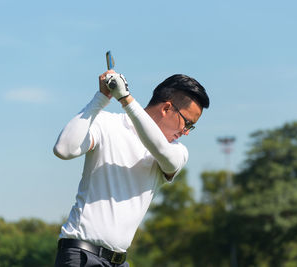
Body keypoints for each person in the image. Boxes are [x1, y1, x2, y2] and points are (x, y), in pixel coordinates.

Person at [53, 70, 210, 267]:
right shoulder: (107, 123)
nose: (186, 132)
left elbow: (159, 148)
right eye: (187, 123)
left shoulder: (176, 152)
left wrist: (126, 99)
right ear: (167, 108)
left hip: (119, 262)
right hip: (82, 255)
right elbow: (63, 149)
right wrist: (101, 98)